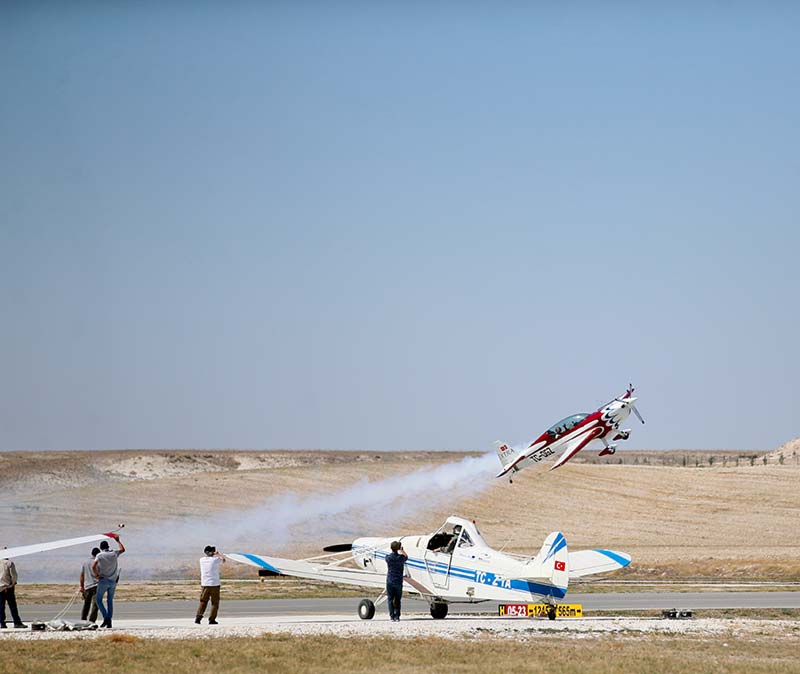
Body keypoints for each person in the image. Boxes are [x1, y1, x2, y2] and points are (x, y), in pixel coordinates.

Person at [92, 534, 125, 629]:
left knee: (98, 600)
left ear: (101, 548)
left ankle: (106, 618)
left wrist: (97, 575)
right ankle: (109, 620)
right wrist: (118, 541)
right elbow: (123, 549)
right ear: (108, 547)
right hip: (113, 581)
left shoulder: (100, 555)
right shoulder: (114, 553)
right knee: (109, 601)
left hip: (103, 580)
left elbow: (93, 566)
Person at [196, 545, 225, 625]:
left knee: (203, 602)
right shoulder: (215, 560)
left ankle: (198, 617)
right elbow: (223, 560)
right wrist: (218, 554)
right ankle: (212, 619)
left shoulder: (201, 560)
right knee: (215, 603)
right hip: (214, 584)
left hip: (205, 584)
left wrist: (213, 554)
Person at [0, 556, 27, 629]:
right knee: (12, 606)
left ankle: (2, 623)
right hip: (8, 587)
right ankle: (17, 622)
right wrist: (12, 584)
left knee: (1, 607)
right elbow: (14, 575)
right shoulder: (9, 563)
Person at [385, 540, 408, 622]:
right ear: (398, 548)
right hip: (398, 581)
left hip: (390, 580)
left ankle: (392, 616)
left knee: (390, 599)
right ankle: (397, 616)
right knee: (397, 599)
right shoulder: (401, 558)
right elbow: (406, 557)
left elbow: (387, 558)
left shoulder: (388, 558)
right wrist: (402, 551)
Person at [79, 547, 101, 623]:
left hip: (87, 586)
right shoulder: (98, 562)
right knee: (95, 605)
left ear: (91, 553)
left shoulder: (85, 562)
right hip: (97, 586)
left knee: (86, 605)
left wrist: (81, 586)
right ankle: (91, 621)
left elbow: (82, 575)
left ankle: (83, 620)